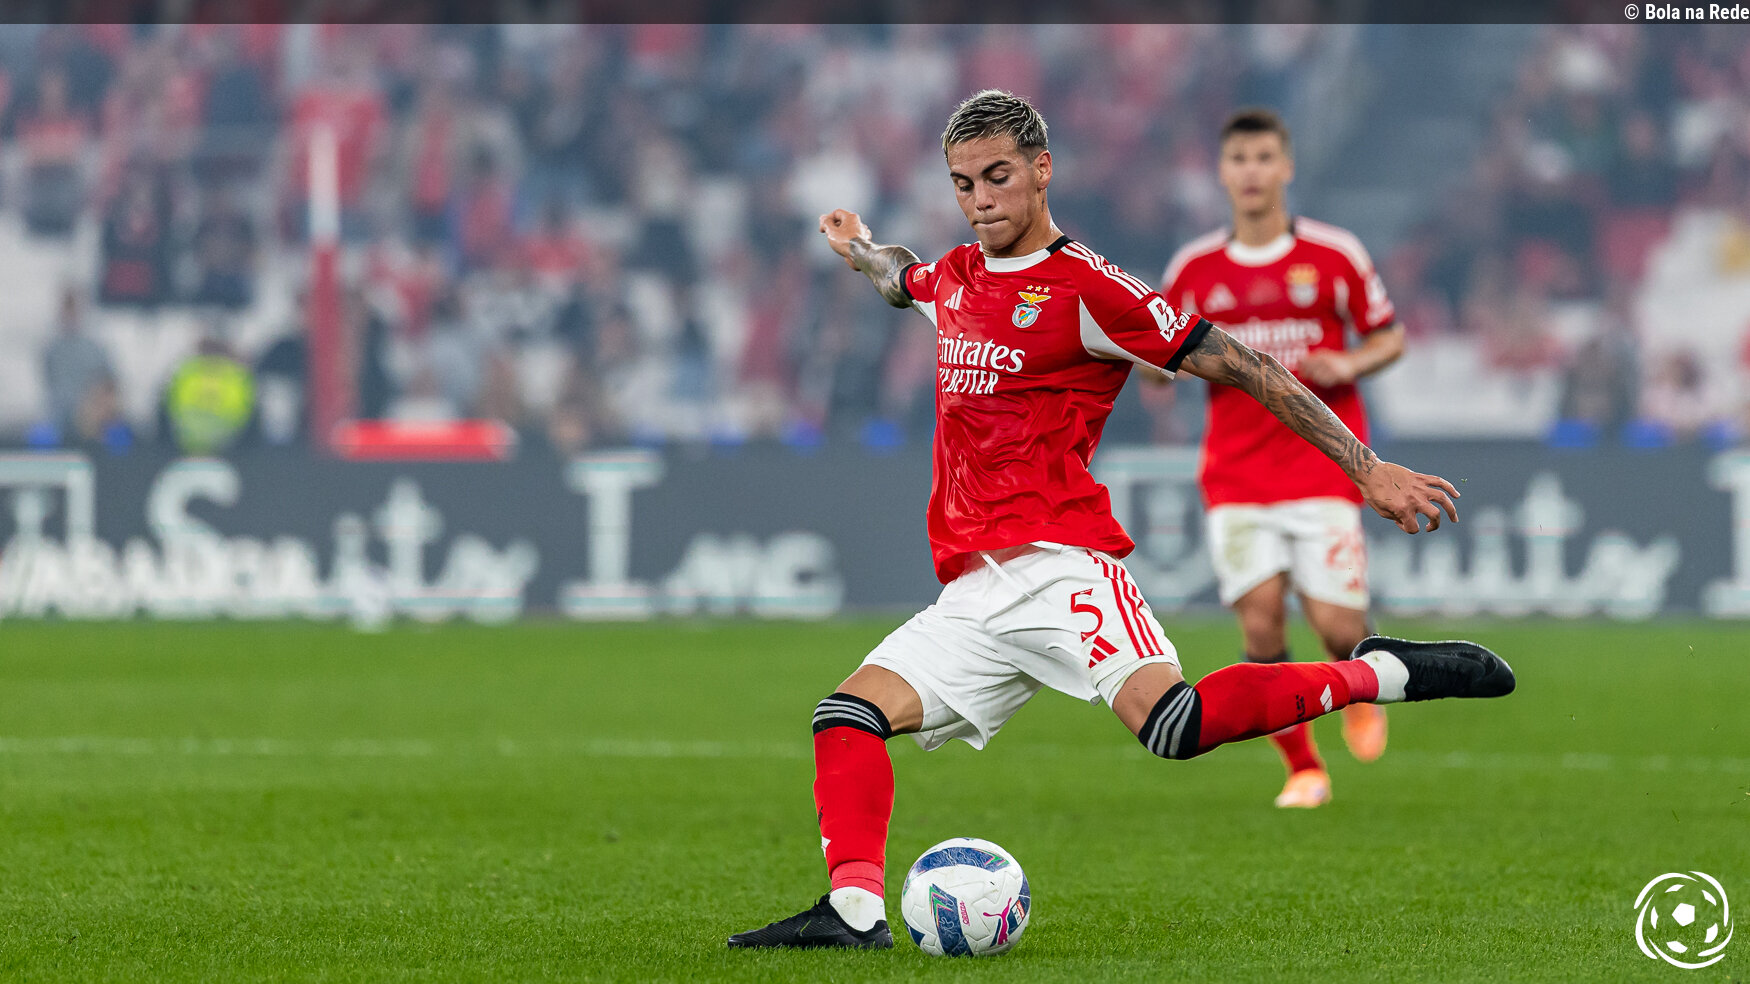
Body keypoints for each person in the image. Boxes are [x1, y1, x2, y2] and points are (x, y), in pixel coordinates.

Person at [727, 91, 1513, 951]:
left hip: (1061, 564)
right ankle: (853, 915)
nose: (981, 199)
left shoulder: (1092, 290)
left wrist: (1367, 468)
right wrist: (858, 247)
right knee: (846, 716)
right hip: (973, 592)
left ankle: (1377, 674)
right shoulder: (954, 277)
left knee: (1175, 728)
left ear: (1042, 170)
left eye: (998, 177)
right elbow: (898, 279)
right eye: (963, 184)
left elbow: (1248, 365)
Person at [1158, 108, 1407, 809]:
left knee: (1337, 627)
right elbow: (1156, 353)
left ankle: (1358, 685)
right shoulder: (1194, 269)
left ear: (1286, 167)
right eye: (1239, 159)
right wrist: (1152, 369)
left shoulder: (1335, 255)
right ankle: (1304, 768)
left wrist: (1349, 362)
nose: (1252, 172)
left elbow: (1389, 336)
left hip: (1322, 469)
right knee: (1261, 622)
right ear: (1222, 172)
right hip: (1236, 476)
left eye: (1265, 157)